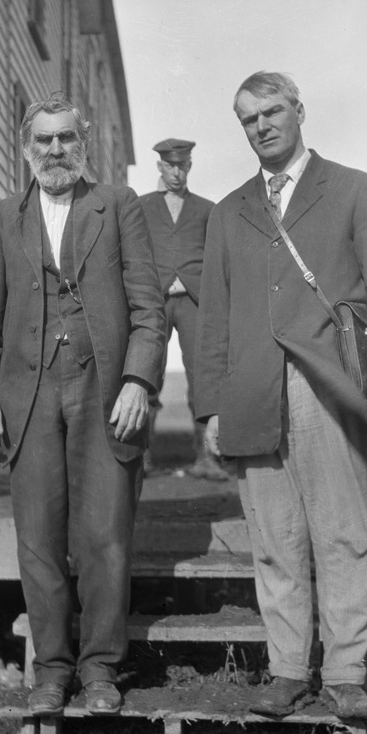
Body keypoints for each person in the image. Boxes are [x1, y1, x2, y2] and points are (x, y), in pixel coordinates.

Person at [195, 72, 367, 718]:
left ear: (299, 111)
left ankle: (346, 675)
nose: (261, 126)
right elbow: (214, 317)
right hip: (252, 392)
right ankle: (288, 671)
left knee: (343, 533)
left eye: (272, 112)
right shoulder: (230, 210)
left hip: (329, 387)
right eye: (248, 119)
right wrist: (208, 405)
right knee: (274, 538)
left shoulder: (355, 191)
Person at [0, 94, 166, 717]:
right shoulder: (3, 217)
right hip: (26, 396)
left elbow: (149, 311)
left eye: (66, 139)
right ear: (26, 148)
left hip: (104, 391)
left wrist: (139, 380)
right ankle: (52, 670)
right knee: (39, 539)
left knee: (105, 534)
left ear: (84, 145)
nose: (56, 151)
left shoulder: (117, 207)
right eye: (44, 141)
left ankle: (102, 668)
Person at [139, 138, 227, 480]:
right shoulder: (141, 206)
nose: (177, 172)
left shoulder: (208, 209)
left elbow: (218, 259)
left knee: (204, 377)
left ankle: (207, 457)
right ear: (160, 166)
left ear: (190, 166)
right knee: (146, 376)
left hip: (194, 302)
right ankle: (141, 458)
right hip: (155, 302)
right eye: (170, 165)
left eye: (183, 165)